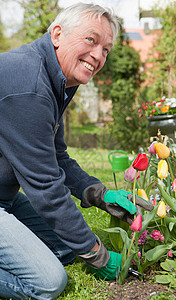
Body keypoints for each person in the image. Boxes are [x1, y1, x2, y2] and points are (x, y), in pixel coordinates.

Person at [0, 2, 153, 299]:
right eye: (91, 40)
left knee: (66, 248)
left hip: (4, 197)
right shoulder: (29, 84)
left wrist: (101, 194)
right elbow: (46, 187)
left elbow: (57, 158)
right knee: (48, 281)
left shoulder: (57, 78)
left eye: (106, 49)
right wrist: (99, 256)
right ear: (57, 34)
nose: (98, 56)